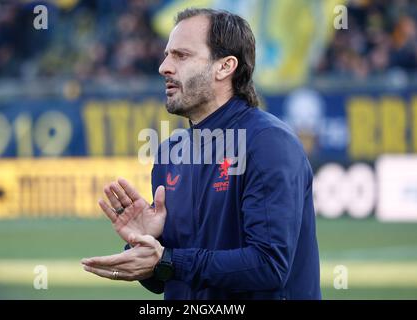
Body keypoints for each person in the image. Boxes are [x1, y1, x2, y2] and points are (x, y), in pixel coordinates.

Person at [82, 8, 321, 300]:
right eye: (167, 54)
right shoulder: (170, 153)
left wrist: (168, 259)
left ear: (225, 67)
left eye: (181, 56)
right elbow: (167, 278)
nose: (164, 67)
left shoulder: (268, 143)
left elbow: (269, 265)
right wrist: (147, 245)